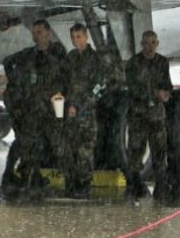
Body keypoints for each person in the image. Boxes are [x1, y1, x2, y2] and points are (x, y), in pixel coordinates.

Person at [6, 19, 67, 196]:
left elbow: (64, 76)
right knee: (28, 144)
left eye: (39, 32)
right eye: (34, 33)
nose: (36, 36)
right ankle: (24, 176)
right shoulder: (28, 54)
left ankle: (41, 175)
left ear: (48, 33)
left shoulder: (57, 52)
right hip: (32, 108)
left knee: (51, 143)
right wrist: (16, 82)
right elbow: (8, 62)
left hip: (50, 107)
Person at [124, 30, 173, 201]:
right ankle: (136, 185)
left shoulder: (162, 62)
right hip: (138, 115)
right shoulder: (133, 63)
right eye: (146, 43)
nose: (149, 46)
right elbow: (133, 88)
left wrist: (165, 94)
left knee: (159, 152)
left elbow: (167, 84)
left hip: (156, 116)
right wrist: (154, 94)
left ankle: (161, 186)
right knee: (136, 151)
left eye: (153, 43)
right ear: (141, 44)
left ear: (157, 43)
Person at [63, 23, 109, 199]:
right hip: (70, 112)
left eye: (79, 37)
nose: (76, 41)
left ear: (86, 36)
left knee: (85, 149)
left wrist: (81, 106)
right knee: (70, 148)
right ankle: (72, 182)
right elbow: (65, 82)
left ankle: (84, 183)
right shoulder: (71, 58)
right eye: (73, 37)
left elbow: (99, 86)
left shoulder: (95, 59)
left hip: (86, 112)